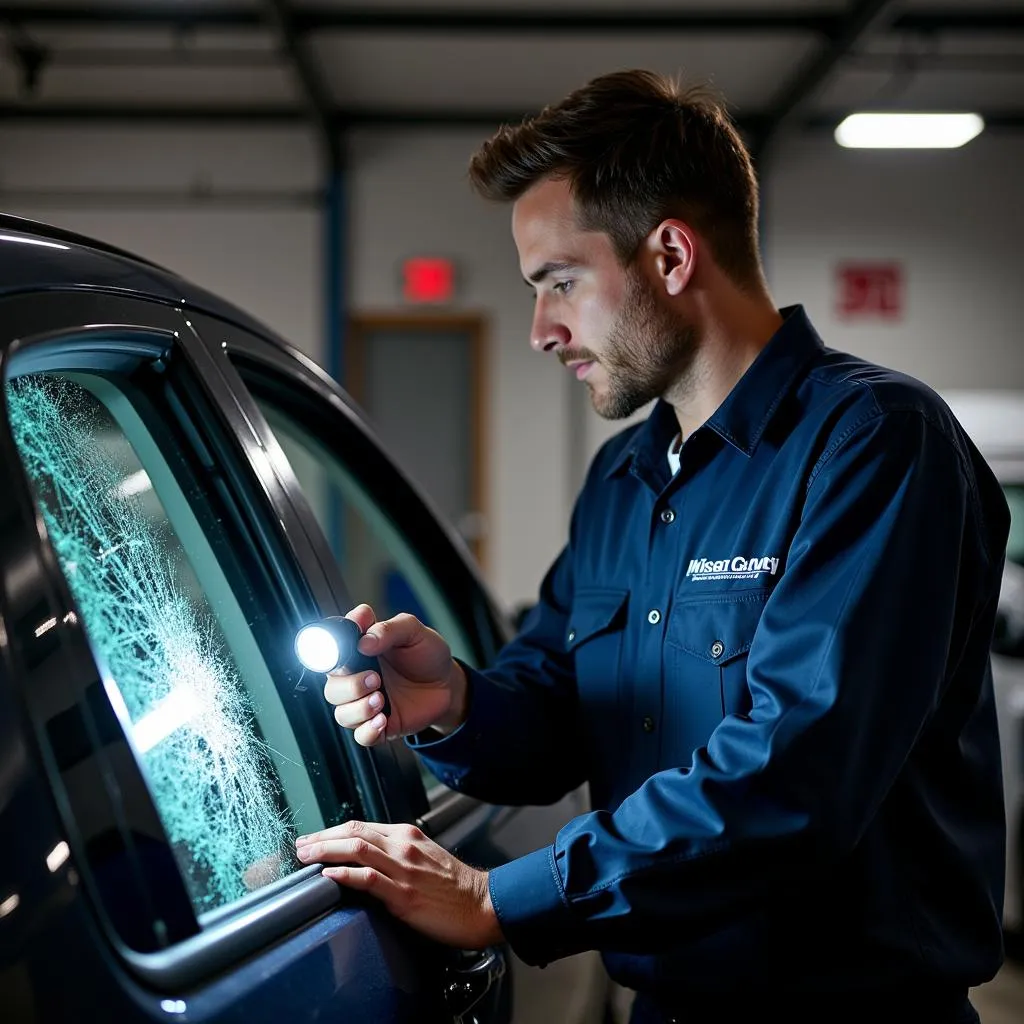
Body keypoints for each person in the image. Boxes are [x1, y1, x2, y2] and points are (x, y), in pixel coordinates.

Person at [294, 69, 1010, 1023]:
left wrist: (496, 899)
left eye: (560, 284)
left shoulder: (875, 442)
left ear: (671, 254)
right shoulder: (628, 479)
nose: (543, 331)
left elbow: (798, 774)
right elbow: (566, 704)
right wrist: (457, 701)